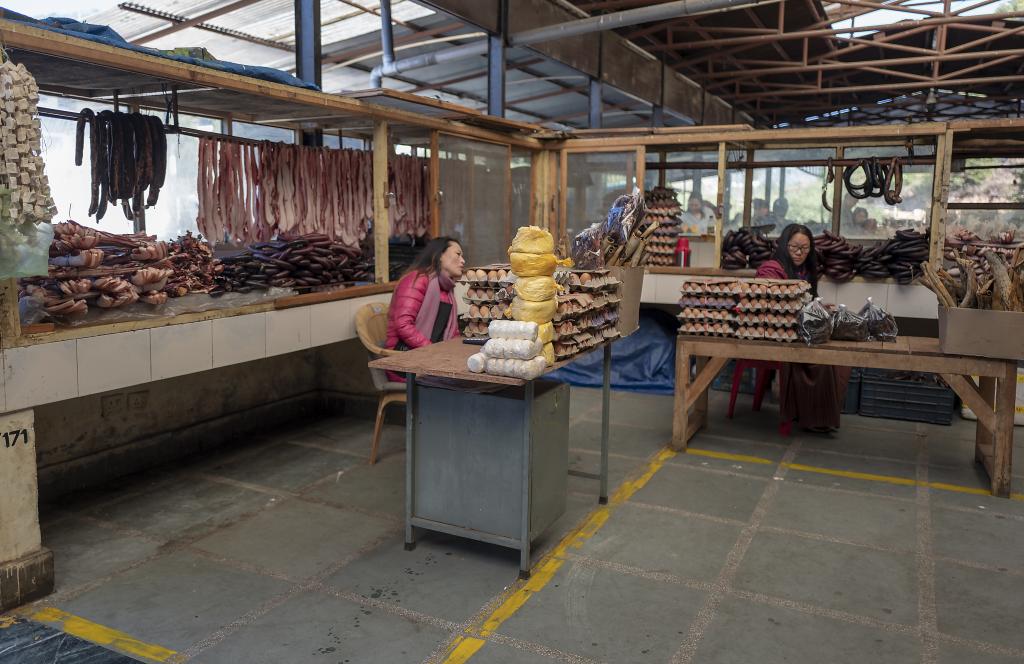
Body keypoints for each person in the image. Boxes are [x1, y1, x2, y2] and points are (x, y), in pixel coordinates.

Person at [756, 223, 852, 432]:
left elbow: (803, 302)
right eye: (794, 248)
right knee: (820, 358)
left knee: (840, 355)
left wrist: (816, 307)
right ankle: (812, 417)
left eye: (805, 249)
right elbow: (769, 306)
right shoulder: (771, 269)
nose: (800, 253)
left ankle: (820, 416)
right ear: (783, 245)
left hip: (798, 328)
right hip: (775, 330)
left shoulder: (805, 270)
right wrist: (805, 309)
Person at [386, 236, 465, 355]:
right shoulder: (417, 280)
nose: (463, 260)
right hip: (403, 357)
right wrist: (432, 350)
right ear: (440, 256)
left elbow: (452, 332)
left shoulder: (446, 288)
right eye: (458, 254)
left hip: (432, 354)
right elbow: (403, 325)